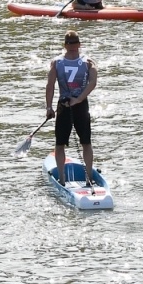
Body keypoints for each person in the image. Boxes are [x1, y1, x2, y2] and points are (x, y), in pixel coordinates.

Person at [46, 32, 99, 192]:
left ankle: (62, 180)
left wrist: (49, 107)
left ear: (65, 45)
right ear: (79, 44)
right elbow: (93, 82)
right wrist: (80, 99)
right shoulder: (89, 62)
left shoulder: (56, 62)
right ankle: (89, 178)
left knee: (60, 144)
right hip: (81, 106)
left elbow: (50, 85)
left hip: (64, 105)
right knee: (86, 143)